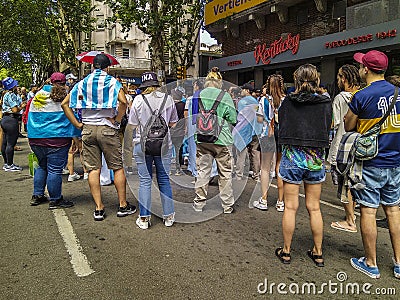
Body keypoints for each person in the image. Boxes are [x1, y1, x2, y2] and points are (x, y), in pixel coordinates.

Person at [345, 50, 400, 279]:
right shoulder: (398, 92)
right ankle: (399, 263)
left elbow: (348, 125)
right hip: (395, 161)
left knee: (368, 209)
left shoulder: (362, 95)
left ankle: (371, 262)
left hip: (370, 162)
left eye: (361, 65)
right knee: (394, 210)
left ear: (366, 69)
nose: (359, 69)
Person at [62, 53, 136, 221]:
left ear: (92, 66)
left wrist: (77, 124)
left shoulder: (82, 83)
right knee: (117, 167)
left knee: (93, 169)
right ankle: (123, 205)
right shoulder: (112, 82)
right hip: (108, 129)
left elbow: (64, 104)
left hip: (87, 129)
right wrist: (117, 120)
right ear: (107, 67)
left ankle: (99, 208)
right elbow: (123, 102)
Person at [275, 64, 332, 267]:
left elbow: (281, 124)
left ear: (296, 81)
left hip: (293, 158)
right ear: (316, 80)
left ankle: (287, 251)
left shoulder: (288, 102)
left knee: (290, 207)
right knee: (314, 208)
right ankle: (318, 252)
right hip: (315, 159)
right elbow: (328, 126)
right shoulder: (325, 102)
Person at [128, 71, 178, 229]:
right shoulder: (168, 99)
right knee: (164, 180)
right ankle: (169, 216)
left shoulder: (138, 100)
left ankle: (144, 219)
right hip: (164, 145)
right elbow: (173, 123)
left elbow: (133, 124)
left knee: (145, 181)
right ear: (157, 85)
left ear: (144, 86)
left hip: (142, 145)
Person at [28, 73, 78, 208]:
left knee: (42, 165)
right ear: (64, 82)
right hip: (57, 139)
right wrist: (76, 139)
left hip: (36, 138)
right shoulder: (65, 97)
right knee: (55, 169)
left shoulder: (37, 95)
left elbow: (28, 115)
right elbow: (71, 119)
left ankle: (37, 195)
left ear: (49, 81)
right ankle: (55, 199)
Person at [192, 67, 237, 214]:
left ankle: (199, 203)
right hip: (222, 140)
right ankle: (227, 205)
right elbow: (233, 119)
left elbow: (193, 117)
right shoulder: (225, 96)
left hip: (202, 138)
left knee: (203, 171)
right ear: (219, 82)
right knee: (225, 173)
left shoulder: (197, 95)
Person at [328, 65, 361, 233]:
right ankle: (352, 215)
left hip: (343, 145)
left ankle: (350, 219)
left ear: (345, 78)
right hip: (359, 145)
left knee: (344, 185)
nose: (338, 80)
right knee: (353, 182)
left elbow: (334, 124)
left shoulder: (341, 97)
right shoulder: (361, 95)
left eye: (340, 76)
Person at [255, 75, 285, 211]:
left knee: (265, 168)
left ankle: (264, 200)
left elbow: (260, 120)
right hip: (281, 135)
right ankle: (280, 202)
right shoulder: (285, 100)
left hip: (267, 135)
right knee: (279, 166)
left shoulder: (264, 100)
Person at [234, 83, 261, 181]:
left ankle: (239, 175)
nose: (241, 91)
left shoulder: (242, 102)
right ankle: (256, 175)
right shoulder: (255, 101)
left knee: (241, 153)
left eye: (243, 90)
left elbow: (239, 116)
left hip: (243, 130)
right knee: (255, 153)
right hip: (255, 129)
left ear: (247, 91)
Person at [1, 77, 26, 171]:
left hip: (5, 119)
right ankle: (10, 164)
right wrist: (21, 107)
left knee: (4, 142)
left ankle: (6, 163)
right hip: (11, 120)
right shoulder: (10, 95)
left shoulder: (5, 95)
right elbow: (15, 110)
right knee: (11, 143)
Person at [170, 88, 186, 175]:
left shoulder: (171, 105)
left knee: (168, 150)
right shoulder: (183, 105)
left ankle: (168, 169)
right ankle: (178, 169)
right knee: (178, 150)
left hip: (171, 129)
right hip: (180, 130)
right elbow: (185, 117)